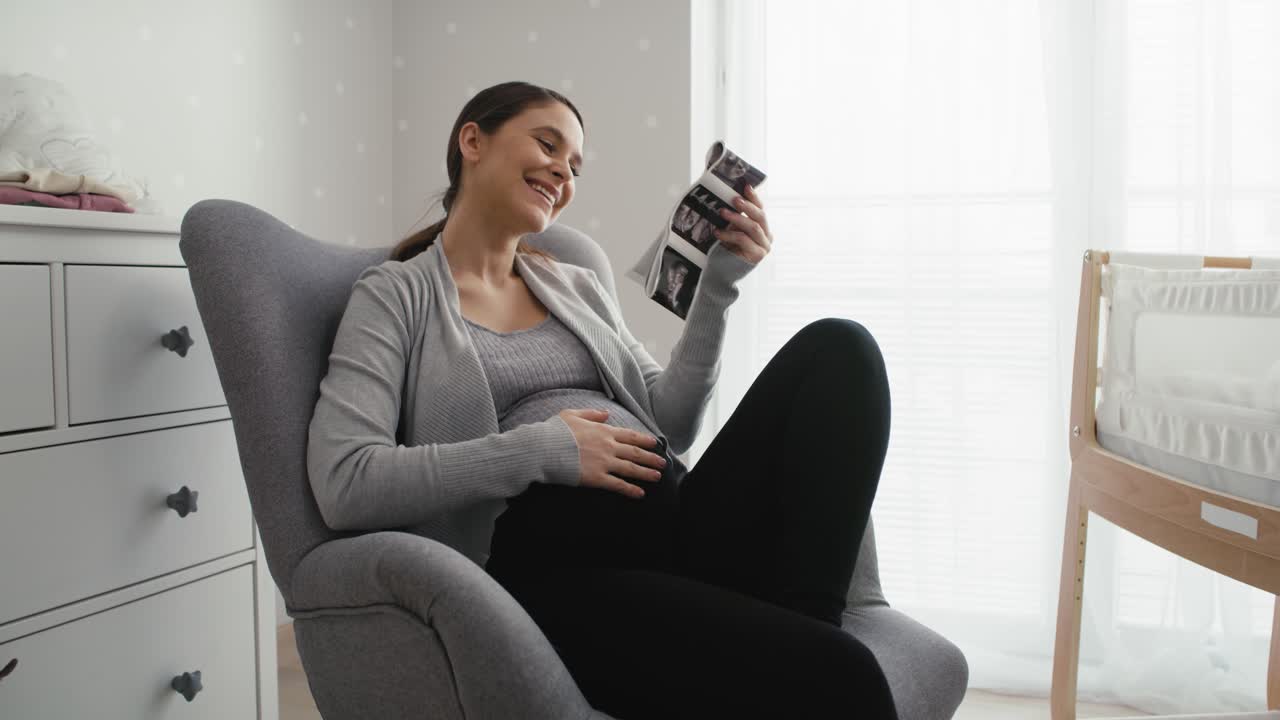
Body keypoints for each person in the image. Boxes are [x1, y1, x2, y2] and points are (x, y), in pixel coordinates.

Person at [307, 81, 897, 720]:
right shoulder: (395, 297)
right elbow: (345, 481)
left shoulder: (575, 285)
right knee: (845, 675)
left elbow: (671, 423)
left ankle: (807, 627)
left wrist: (716, 291)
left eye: (576, 166)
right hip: (562, 574)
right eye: (547, 143)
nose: (564, 171)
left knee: (841, 349)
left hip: (679, 526)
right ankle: (806, 660)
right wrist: (546, 449)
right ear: (472, 140)